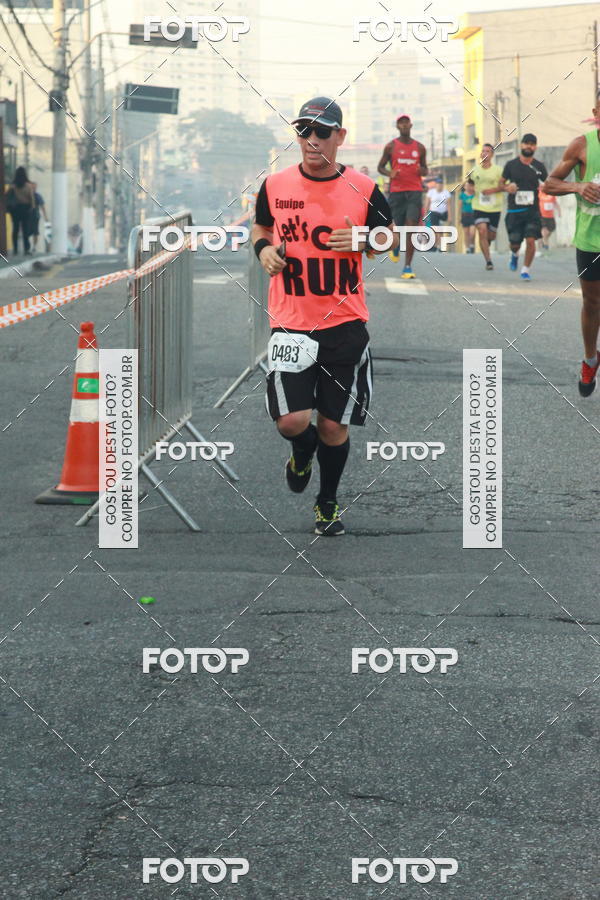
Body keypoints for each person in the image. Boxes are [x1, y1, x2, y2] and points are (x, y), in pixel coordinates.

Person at [252, 96, 397, 535]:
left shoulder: (364, 188)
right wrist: (264, 252)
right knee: (292, 421)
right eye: (304, 131)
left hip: (344, 325)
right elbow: (260, 226)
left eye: (322, 131)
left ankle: (327, 502)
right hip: (291, 322)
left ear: (340, 137)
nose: (311, 140)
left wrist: (363, 240)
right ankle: (301, 451)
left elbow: (388, 238)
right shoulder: (275, 185)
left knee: (334, 427)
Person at [543, 92, 600, 396]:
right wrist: (578, 185)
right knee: (593, 303)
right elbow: (549, 183)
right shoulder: (582, 145)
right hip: (591, 240)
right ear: (596, 111)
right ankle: (591, 358)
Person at [377, 114, 427, 278]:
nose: (404, 126)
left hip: (414, 191)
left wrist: (422, 171)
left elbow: (425, 168)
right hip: (397, 191)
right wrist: (390, 173)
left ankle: (407, 267)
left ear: (411, 125)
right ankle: (396, 247)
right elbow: (380, 167)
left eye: (407, 123)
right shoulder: (391, 146)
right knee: (396, 227)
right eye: (401, 123)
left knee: (411, 227)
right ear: (397, 127)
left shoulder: (420, 147)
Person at [499, 134, 548, 280]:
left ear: (536, 147)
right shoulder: (511, 165)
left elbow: (549, 183)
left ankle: (525, 270)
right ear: (521, 145)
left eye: (532, 144)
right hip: (515, 211)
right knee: (515, 244)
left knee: (531, 240)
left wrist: (546, 187)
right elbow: (500, 184)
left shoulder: (539, 166)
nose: (529, 146)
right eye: (526, 143)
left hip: (533, 211)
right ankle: (514, 255)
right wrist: (508, 187)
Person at [470, 143, 503, 271]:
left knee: (491, 236)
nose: (484, 153)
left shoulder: (499, 171)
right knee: (482, 230)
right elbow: (469, 184)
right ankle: (488, 261)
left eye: (488, 151)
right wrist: (470, 189)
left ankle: (487, 242)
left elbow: (504, 186)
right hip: (479, 206)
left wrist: (493, 190)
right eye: (483, 151)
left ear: (492, 155)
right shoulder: (474, 170)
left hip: (495, 208)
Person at [6, 166, 35, 255]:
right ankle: (26, 249)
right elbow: (32, 199)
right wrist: (31, 208)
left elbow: (7, 196)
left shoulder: (13, 186)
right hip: (26, 209)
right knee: (25, 229)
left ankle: (15, 249)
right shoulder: (28, 186)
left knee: (15, 229)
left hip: (15, 209)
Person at [423, 177, 451, 251]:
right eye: (438, 184)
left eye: (441, 184)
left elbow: (448, 205)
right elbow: (427, 204)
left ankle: (439, 246)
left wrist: (449, 216)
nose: (440, 185)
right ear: (436, 185)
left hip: (443, 214)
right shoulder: (431, 192)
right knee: (435, 229)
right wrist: (425, 214)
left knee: (440, 230)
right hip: (433, 213)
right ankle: (436, 245)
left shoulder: (446, 193)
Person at [459, 181, 476, 252]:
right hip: (465, 215)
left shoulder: (475, 194)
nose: (468, 187)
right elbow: (460, 206)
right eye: (467, 186)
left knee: (472, 233)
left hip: (473, 215)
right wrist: (459, 217)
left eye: (469, 186)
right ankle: (467, 248)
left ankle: (472, 245)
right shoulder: (462, 195)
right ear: (464, 187)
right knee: (466, 233)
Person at [30, 188, 47, 253]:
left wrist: (45, 216)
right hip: (27, 216)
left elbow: (42, 205)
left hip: (35, 216)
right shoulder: (27, 195)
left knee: (35, 232)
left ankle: (34, 246)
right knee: (28, 231)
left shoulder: (37, 196)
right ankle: (28, 246)